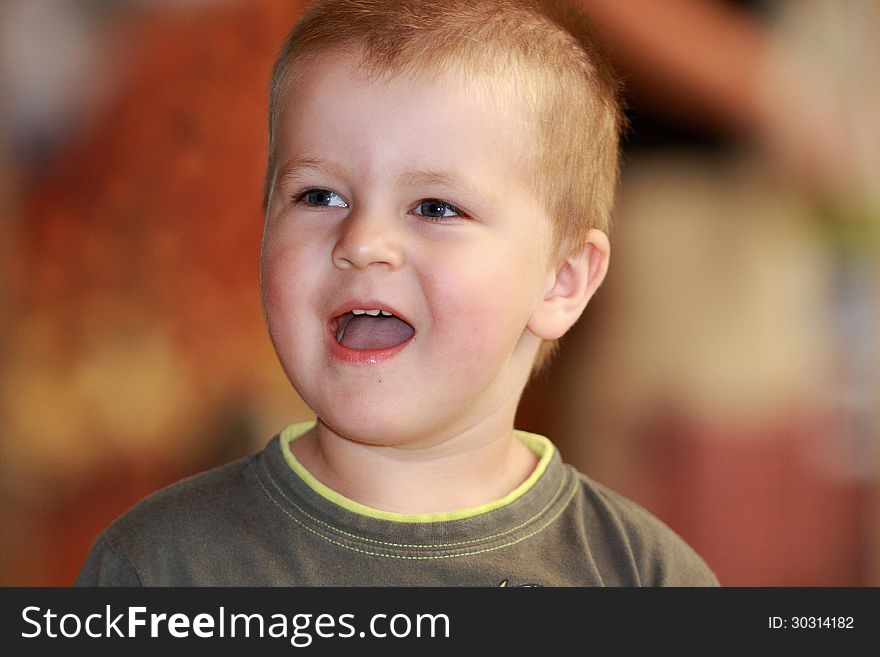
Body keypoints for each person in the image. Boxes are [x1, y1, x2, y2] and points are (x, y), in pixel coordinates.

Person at [75, 0, 718, 587]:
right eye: (319, 196)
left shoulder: (645, 578)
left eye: (435, 207)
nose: (363, 240)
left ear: (562, 280)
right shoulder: (160, 568)